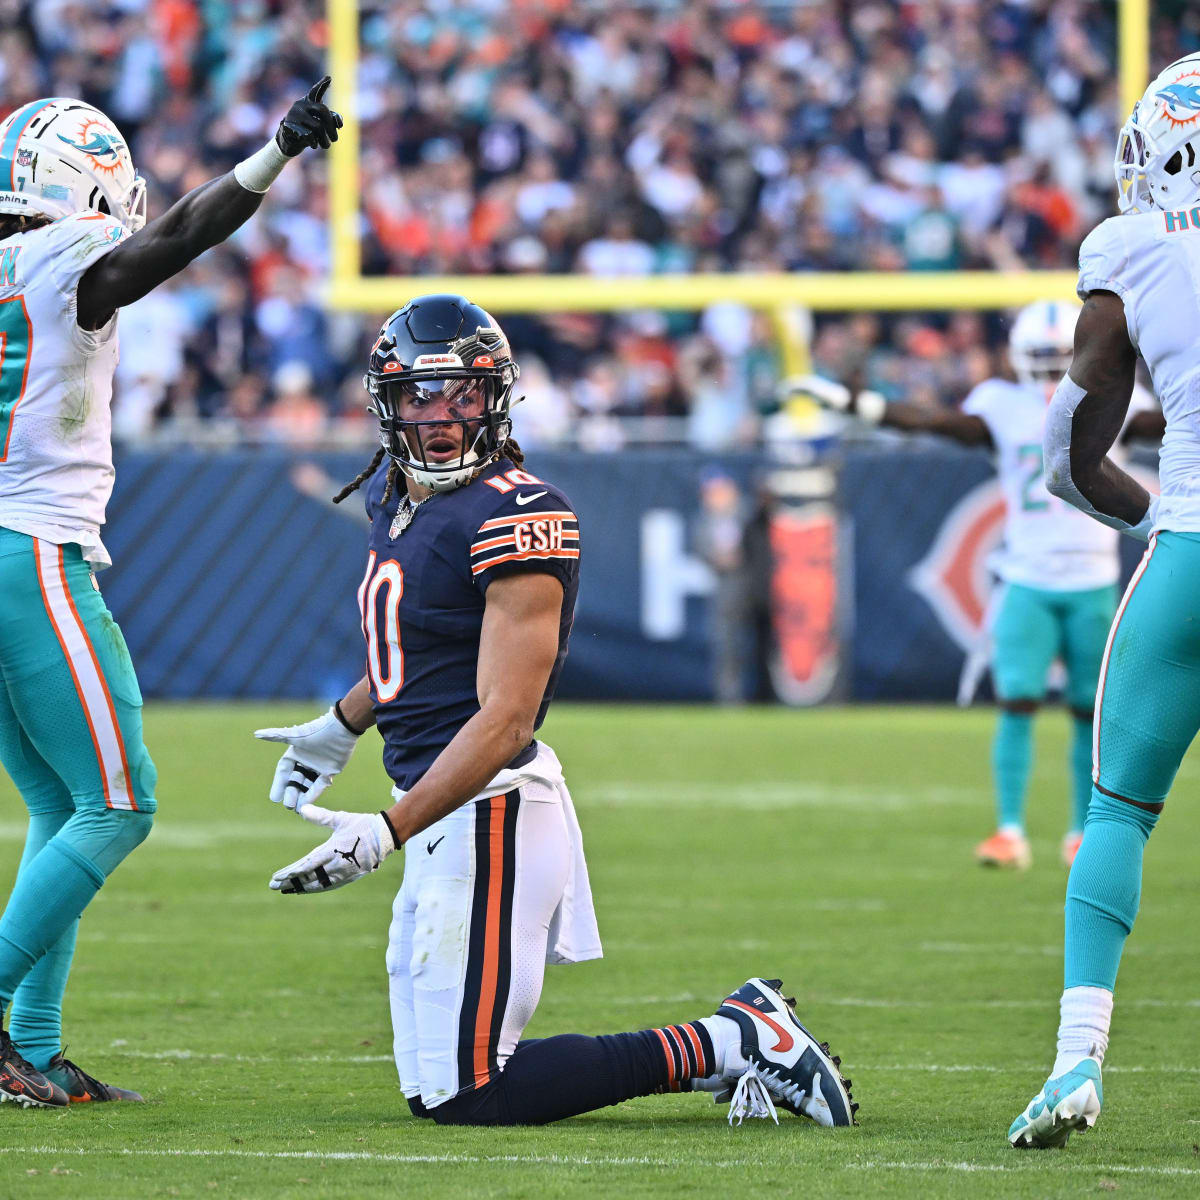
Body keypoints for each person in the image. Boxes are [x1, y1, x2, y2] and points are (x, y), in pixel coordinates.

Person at [256, 294, 857, 1127]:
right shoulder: (398, 493)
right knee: (434, 1090)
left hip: (490, 804)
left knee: (470, 1092)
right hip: (440, 802)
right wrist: (348, 719)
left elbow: (506, 719)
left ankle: (732, 1041)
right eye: (419, 396)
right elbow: (427, 649)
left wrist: (386, 829)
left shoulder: (518, 513)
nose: (438, 417)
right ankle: (732, 1040)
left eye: (460, 393)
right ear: (384, 401)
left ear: (495, 394)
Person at [0, 80, 342, 1107]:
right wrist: (274, 153)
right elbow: (175, 241)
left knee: (64, 803)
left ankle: (32, 1046)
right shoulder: (64, 261)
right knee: (121, 802)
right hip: (30, 553)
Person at [784, 307, 1162, 870]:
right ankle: (1010, 830)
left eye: (1059, 356)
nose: (1052, 370)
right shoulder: (1003, 407)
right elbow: (932, 422)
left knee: (1090, 710)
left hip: (1091, 578)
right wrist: (854, 403)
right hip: (1028, 577)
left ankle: (1082, 831)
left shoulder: (1118, 404)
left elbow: (1172, 421)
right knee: (1018, 701)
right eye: (1042, 358)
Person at [1008, 51, 1200, 1148]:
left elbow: (1064, 460)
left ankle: (1077, 1058)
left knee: (1118, 813)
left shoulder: (1131, 255)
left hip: (1188, 556)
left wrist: (1163, 526)